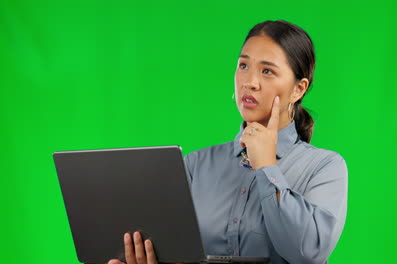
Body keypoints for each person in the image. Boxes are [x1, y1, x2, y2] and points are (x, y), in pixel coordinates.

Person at [108, 19, 348, 264]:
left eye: (267, 71)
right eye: (243, 65)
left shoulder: (325, 167)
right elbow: (174, 250)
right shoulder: (196, 165)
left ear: (298, 89)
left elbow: (308, 253)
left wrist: (267, 167)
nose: (249, 82)